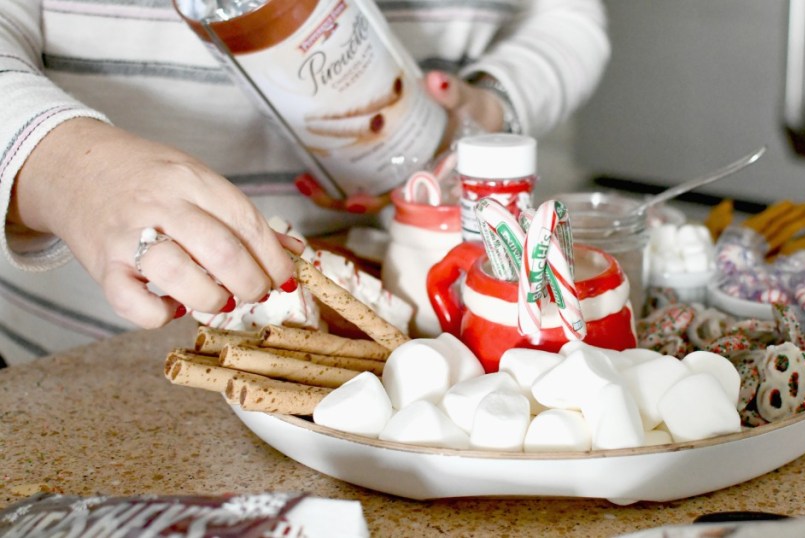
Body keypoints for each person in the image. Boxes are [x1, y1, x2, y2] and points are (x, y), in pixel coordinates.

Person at [0, 0, 610, 366]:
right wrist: (74, 171)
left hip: (447, 349)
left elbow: (567, 18)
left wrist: (490, 105)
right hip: (101, 367)